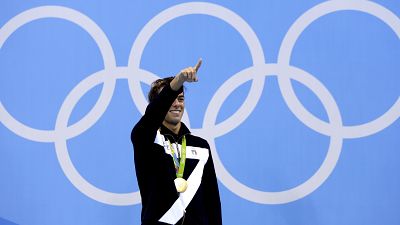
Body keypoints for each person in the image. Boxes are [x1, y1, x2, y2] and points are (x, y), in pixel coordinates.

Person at [131, 59, 222, 225]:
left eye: (180, 99)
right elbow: (151, 116)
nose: (176, 104)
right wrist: (178, 81)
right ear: (157, 105)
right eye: (171, 98)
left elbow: (212, 200)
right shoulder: (145, 139)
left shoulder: (201, 146)